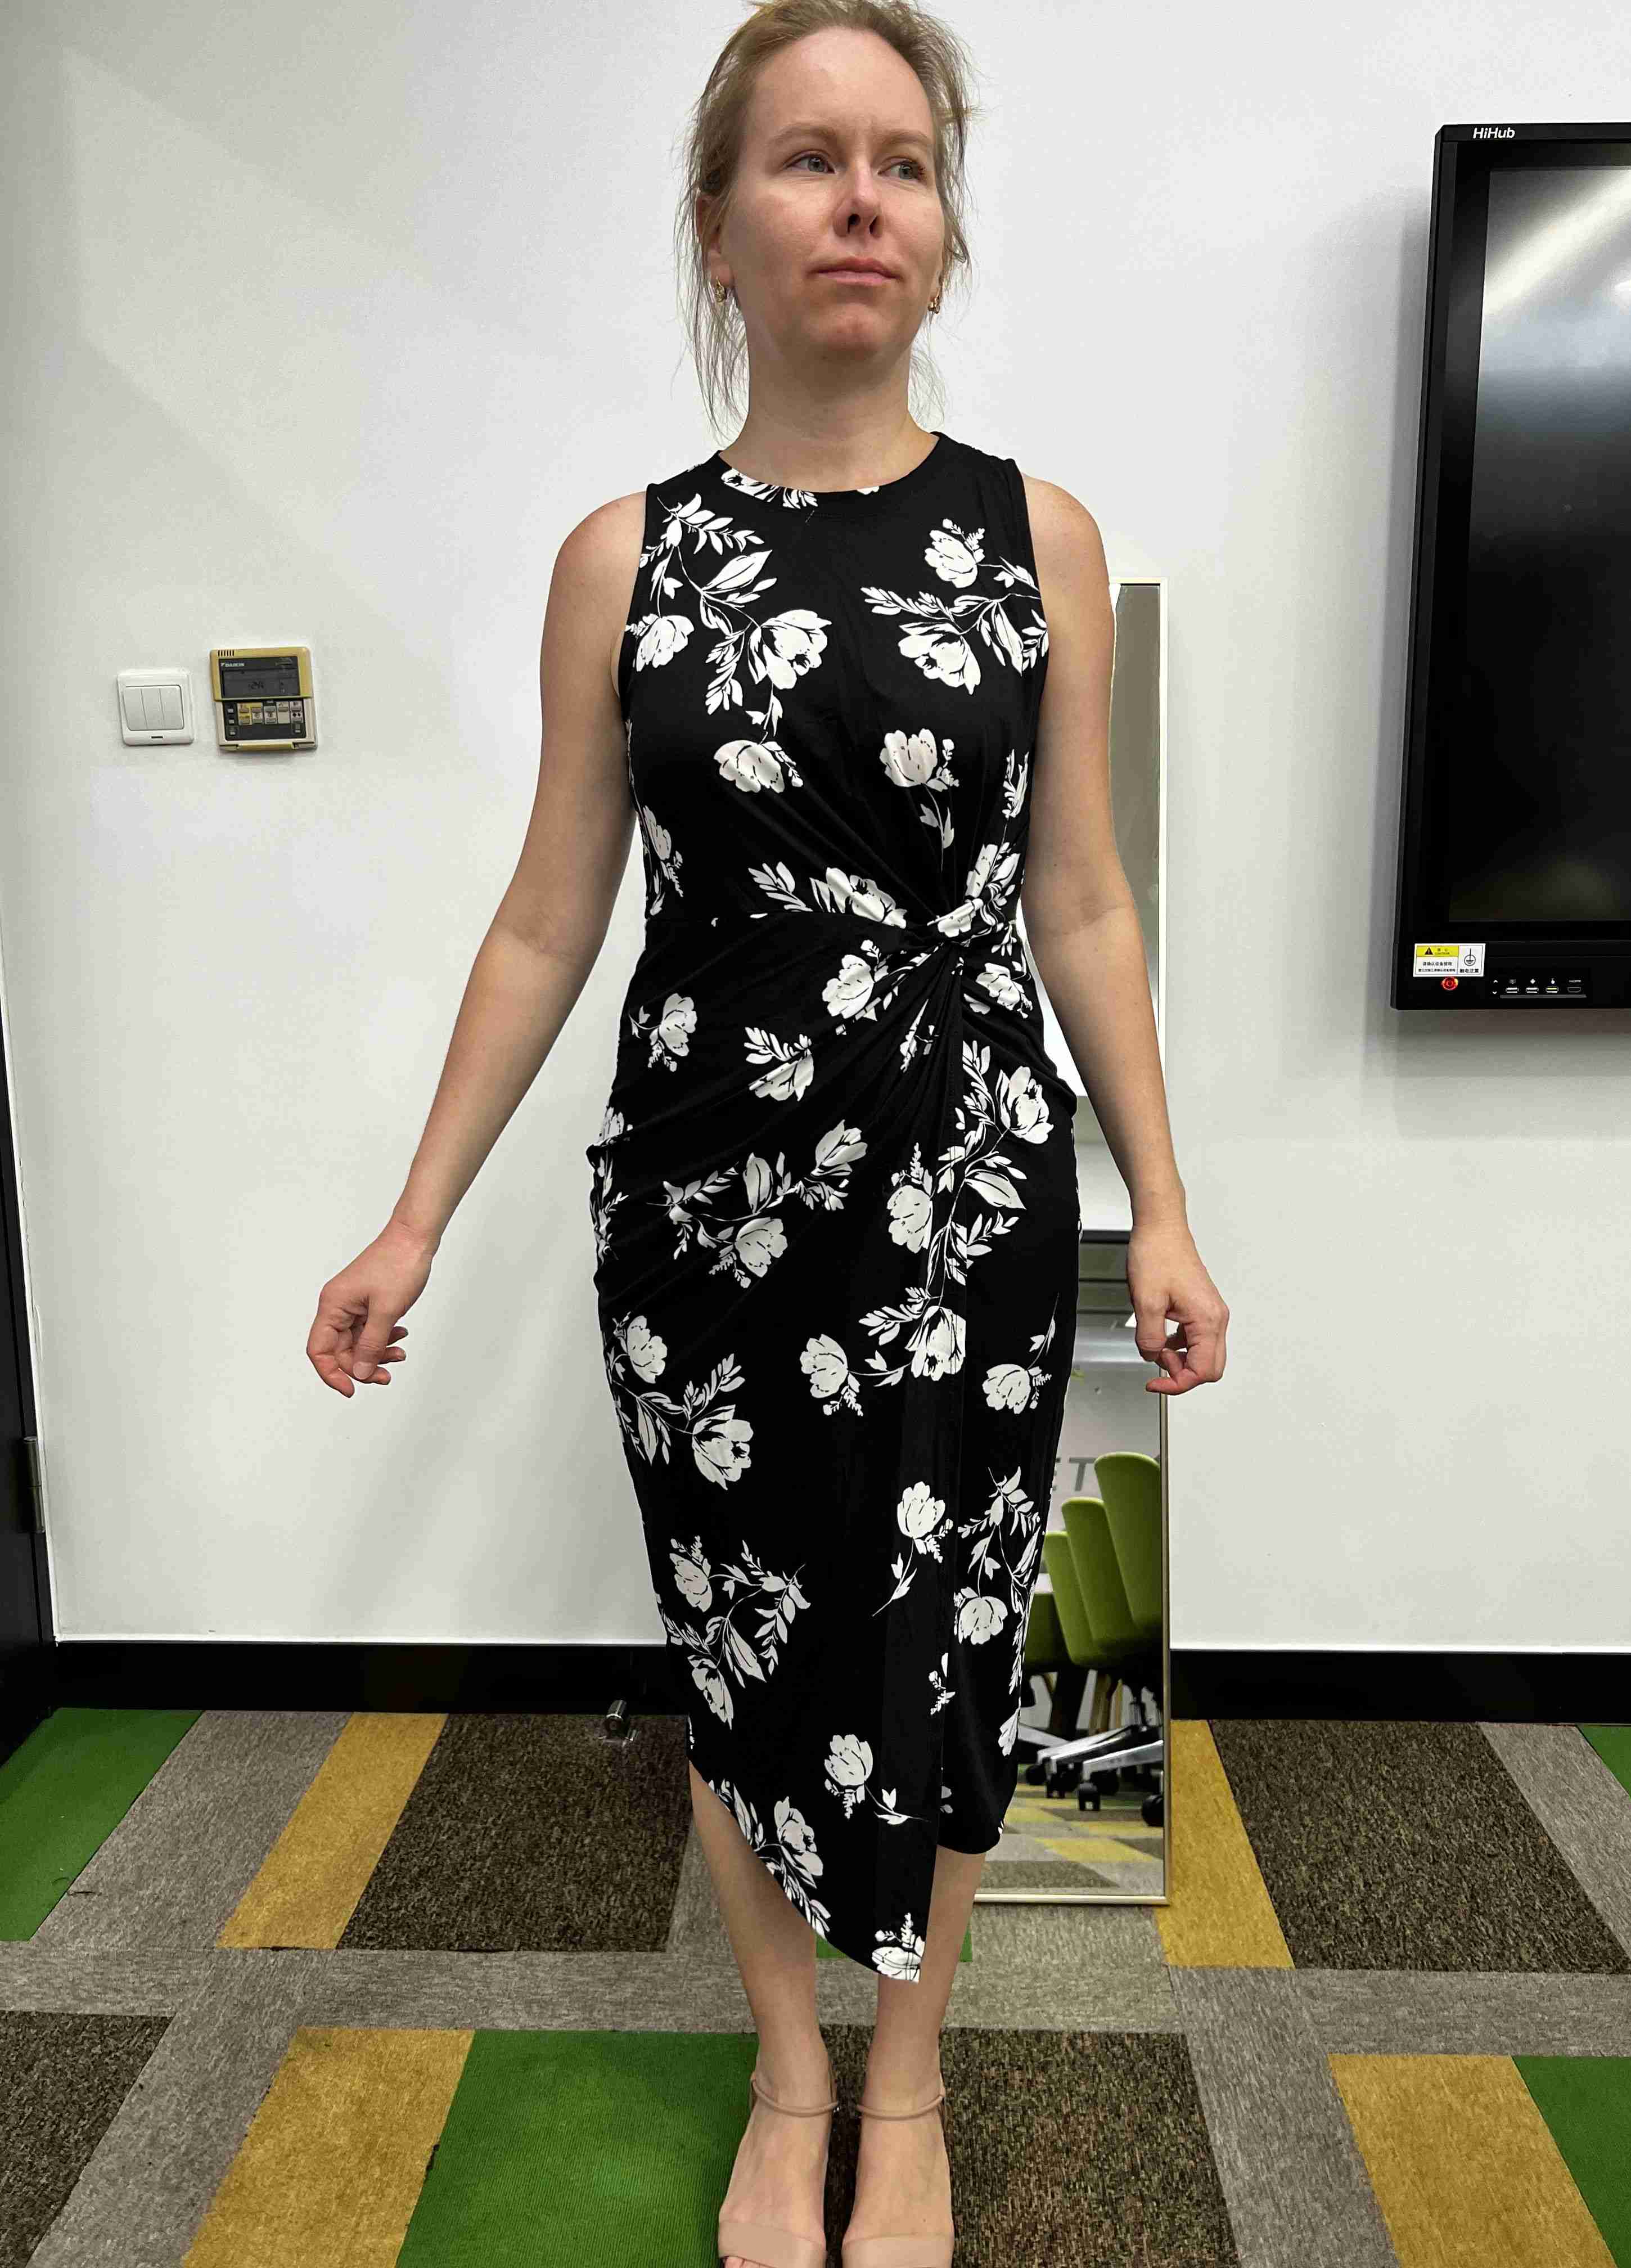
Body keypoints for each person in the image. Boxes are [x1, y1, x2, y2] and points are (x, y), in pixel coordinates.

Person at [307, 4, 1228, 2262]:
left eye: (904, 162)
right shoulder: (621, 559)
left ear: (945, 227)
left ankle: (906, 2084)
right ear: (718, 228)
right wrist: (412, 1219)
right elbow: (551, 915)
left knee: (956, 1633)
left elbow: (1083, 899)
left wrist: (1168, 1206)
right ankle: (788, 2067)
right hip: (707, 1198)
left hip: (969, 1181)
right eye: (808, 159)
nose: (860, 202)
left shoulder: (1040, 540)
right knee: (742, 1639)